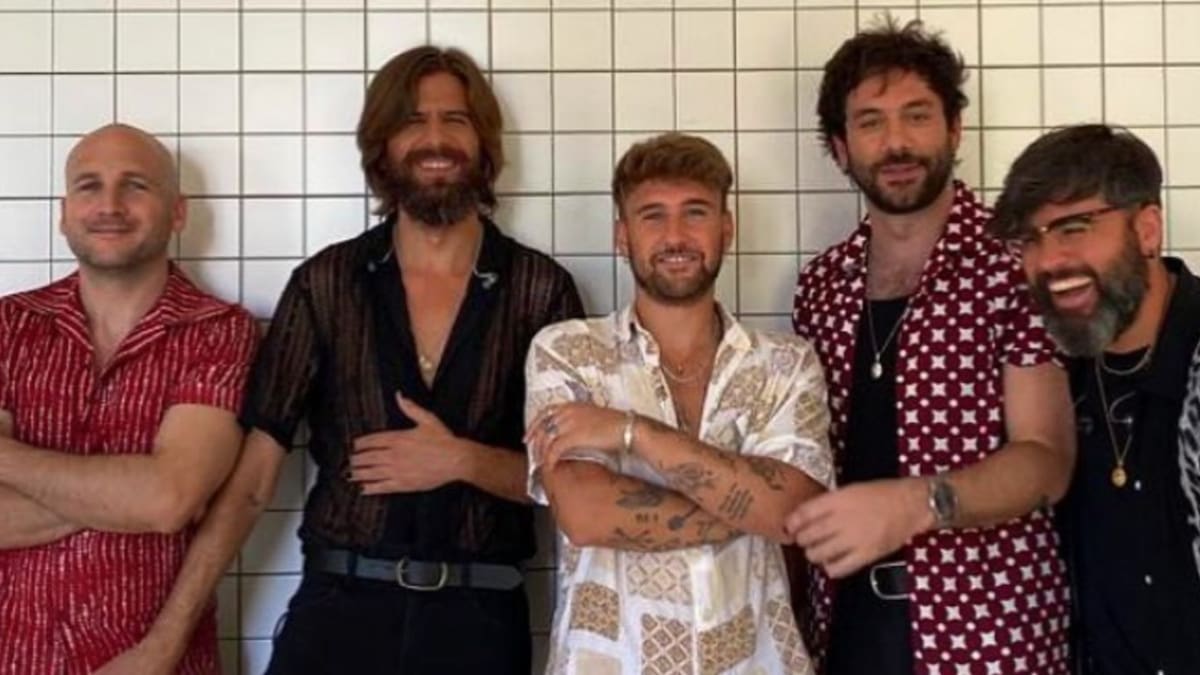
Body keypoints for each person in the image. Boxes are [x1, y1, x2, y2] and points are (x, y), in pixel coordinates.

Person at [102, 46, 584, 674]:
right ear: (382, 146)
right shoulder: (326, 284)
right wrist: (165, 642)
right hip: (339, 612)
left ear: (484, 142)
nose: (435, 139)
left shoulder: (540, 290)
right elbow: (251, 484)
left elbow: (576, 482)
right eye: (412, 121)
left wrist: (462, 460)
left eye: (455, 119)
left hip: (480, 623)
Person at [786, 19, 1075, 674]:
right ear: (841, 148)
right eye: (871, 122)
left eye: (917, 115)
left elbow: (1046, 460)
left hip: (989, 633)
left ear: (954, 128)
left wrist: (916, 504)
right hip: (845, 628)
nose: (896, 142)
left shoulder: (1014, 266)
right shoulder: (822, 284)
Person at [525, 132, 833, 674]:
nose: (675, 236)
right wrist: (751, 506)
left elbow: (795, 514)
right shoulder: (567, 352)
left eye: (695, 212)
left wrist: (633, 433)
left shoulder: (786, 363)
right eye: (652, 216)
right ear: (622, 236)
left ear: (726, 228)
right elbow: (586, 515)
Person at [0, 123, 259, 674]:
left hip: (153, 663)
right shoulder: (7, 325)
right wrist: (130, 495)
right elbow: (161, 500)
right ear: (63, 213)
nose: (110, 205)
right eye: (89, 185)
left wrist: (9, 461)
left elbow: (168, 500)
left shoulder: (221, 330)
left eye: (136, 185)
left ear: (178, 212)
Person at [990, 123, 1200, 674]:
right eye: (1030, 239)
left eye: (1073, 228)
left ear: (1147, 229)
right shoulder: (1063, 376)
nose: (1048, 261)